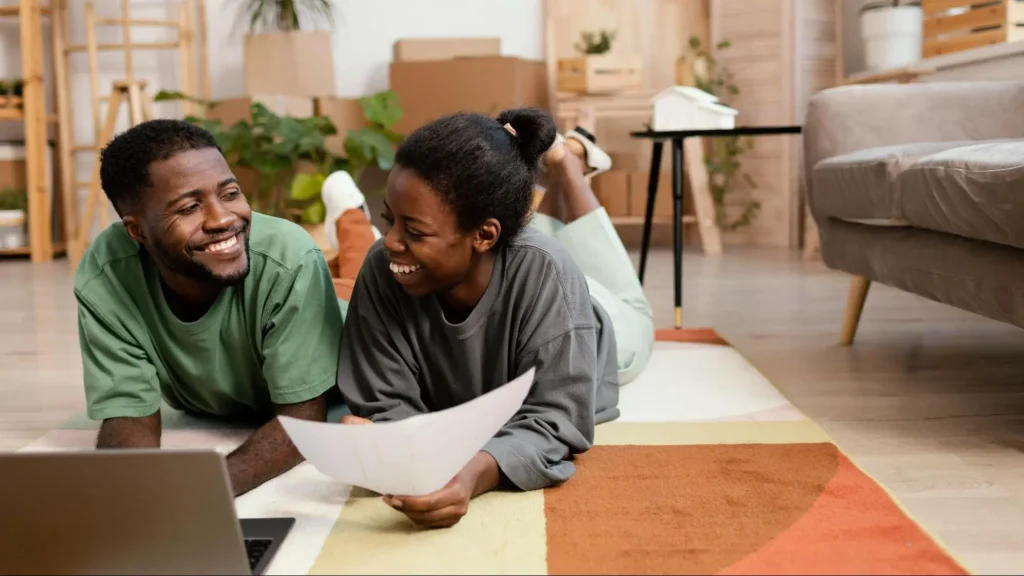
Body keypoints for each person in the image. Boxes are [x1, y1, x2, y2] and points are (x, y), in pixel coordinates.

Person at [336, 107, 655, 528]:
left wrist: (470, 475)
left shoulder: (549, 274)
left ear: (484, 235)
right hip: (504, 258)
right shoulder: (387, 266)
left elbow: (556, 418)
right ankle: (550, 174)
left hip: (594, 322)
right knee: (532, 232)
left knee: (628, 299)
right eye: (388, 220)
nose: (390, 243)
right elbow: (383, 401)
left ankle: (569, 165)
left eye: (413, 231)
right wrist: (400, 451)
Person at [75, 119, 374, 496]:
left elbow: (301, 422)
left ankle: (351, 213)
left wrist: (200, 494)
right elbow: (128, 415)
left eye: (230, 193)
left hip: (345, 307)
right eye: (189, 208)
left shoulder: (290, 257)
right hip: (259, 273)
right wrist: (132, 499)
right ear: (137, 232)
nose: (222, 219)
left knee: (366, 266)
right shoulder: (106, 277)